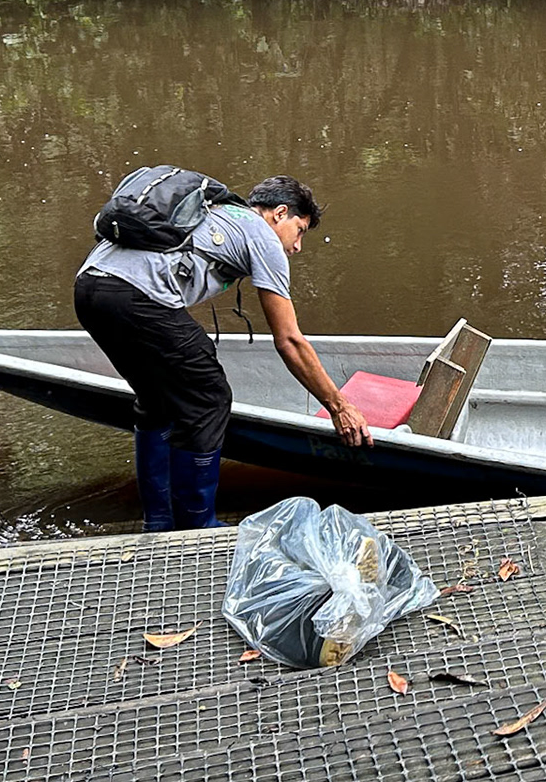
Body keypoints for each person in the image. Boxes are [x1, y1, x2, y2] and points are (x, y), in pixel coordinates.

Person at [73, 173, 371, 531]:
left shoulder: (218, 213)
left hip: (89, 289)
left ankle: (160, 524)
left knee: (157, 401)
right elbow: (289, 340)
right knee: (209, 399)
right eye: (300, 230)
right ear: (279, 213)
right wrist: (339, 407)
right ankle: (199, 529)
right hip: (135, 297)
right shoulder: (262, 237)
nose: (297, 247)